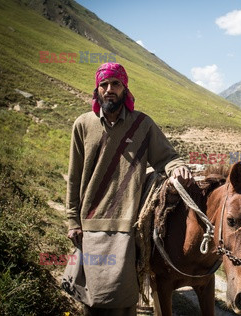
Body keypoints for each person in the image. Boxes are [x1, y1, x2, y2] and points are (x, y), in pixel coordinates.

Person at [62, 62, 192, 316]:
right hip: (90, 226)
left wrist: (177, 167)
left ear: (124, 89)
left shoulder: (142, 125)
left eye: (116, 84)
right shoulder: (83, 124)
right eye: (104, 84)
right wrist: (72, 221)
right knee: (91, 301)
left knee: (123, 301)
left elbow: (166, 157)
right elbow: (74, 177)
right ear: (97, 89)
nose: (110, 89)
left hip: (126, 227)